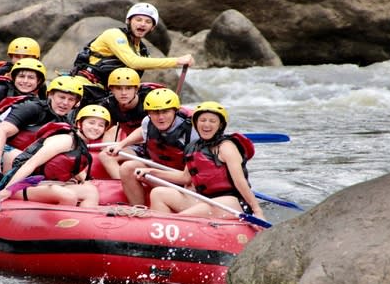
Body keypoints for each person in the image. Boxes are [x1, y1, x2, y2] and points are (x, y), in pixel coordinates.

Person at [137, 101, 265, 221]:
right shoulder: (193, 147)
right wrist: (151, 172)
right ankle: (158, 235)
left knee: (183, 217)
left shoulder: (226, 147)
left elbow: (240, 182)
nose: (206, 125)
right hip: (204, 199)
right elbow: (185, 178)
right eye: (202, 120)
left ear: (220, 125)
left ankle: (172, 225)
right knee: (158, 193)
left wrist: (257, 210)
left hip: (232, 201)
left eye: (212, 121)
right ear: (196, 123)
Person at [71, 2, 194, 105]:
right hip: (87, 86)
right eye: (138, 20)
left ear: (152, 27)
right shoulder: (114, 34)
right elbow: (133, 62)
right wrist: (176, 61)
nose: (142, 24)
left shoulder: (142, 50)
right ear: (128, 21)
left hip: (109, 93)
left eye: (148, 21)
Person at [0, 105, 113, 208]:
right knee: (67, 195)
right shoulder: (65, 140)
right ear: (79, 123)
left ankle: (85, 226)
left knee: (91, 192)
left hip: (47, 184)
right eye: (91, 122)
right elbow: (31, 163)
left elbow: (69, 167)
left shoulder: (81, 146)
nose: (96, 128)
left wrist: (85, 182)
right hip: (23, 183)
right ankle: (63, 227)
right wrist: (9, 189)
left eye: (101, 125)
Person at [100, 88, 197, 205]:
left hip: (186, 177)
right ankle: (138, 207)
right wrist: (122, 144)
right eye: (155, 112)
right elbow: (142, 130)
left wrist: (150, 171)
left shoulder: (192, 130)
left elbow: (187, 178)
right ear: (149, 113)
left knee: (190, 188)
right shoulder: (148, 121)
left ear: (175, 111)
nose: (160, 117)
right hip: (163, 168)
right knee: (128, 167)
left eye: (165, 112)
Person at [0, 76, 83, 180]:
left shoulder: (66, 124)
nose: (65, 103)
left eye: (71, 99)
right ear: (50, 95)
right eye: (61, 97)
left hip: (26, 160)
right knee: (15, 157)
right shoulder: (32, 108)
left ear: (76, 103)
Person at [98, 67, 162, 143]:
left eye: (128, 88)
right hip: (128, 140)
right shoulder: (108, 104)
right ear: (112, 90)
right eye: (118, 88)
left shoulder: (151, 100)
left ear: (136, 89)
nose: (123, 93)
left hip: (154, 140)